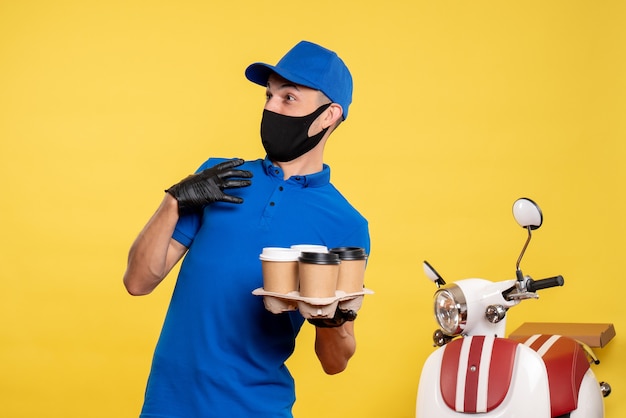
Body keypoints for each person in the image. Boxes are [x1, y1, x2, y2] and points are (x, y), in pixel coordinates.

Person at [123, 40, 370, 417]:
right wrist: (174, 200)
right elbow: (138, 282)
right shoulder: (222, 178)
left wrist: (332, 318)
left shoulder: (346, 224)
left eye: (288, 98)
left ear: (328, 116)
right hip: (169, 405)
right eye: (269, 96)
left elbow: (335, 361)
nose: (271, 106)